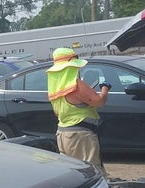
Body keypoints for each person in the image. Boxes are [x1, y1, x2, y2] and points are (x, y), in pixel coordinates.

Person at [46, 47, 111, 176]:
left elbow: (57, 113)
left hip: (63, 134)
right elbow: (99, 102)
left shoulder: (55, 87)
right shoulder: (75, 85)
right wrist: (105, 89)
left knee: (72, 173)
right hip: (80, 135)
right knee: (90, 173)